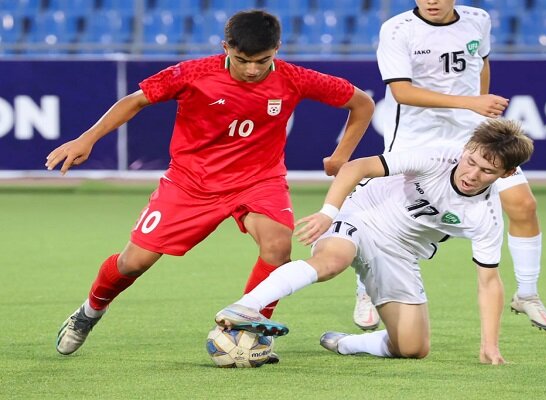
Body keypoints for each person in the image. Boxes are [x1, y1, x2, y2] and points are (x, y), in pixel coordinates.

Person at [46, 10, 375, 357]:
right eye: (242, 60)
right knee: (134, 263)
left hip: (259, 180)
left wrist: (342, 155)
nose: (252, 69)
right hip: (190, 183)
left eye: (262, 61)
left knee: (278, 246)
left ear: (277, 49)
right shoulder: (194, 73)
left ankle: (251, 329)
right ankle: (89, 312)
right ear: (225, 47)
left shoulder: (294, 78)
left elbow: (362, 103)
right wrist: (88, 139)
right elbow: (136, 100)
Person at [215, 118, 533, 365]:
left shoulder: (486, 216)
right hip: (361, 214)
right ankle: (246, 306)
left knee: (412, 348)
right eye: (471, 160)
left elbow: (489, 282)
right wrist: (329, 213)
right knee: (331, 262)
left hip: (400, 253)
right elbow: (357, 167)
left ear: (506, 174)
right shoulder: (436, 156)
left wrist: (489, 345)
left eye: (487, 171)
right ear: (467, 148)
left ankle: (347, 343)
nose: (472, 173)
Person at [351, 0, 546, 331]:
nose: (431, 1)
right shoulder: (397, 29)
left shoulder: (478, 19)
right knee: (386, 222)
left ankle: (528, 294)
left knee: (523, 204)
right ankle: (365, 292)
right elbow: (402, 92)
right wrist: (470, 102)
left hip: (470, 140)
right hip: (415, 140)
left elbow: (481, 64)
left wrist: (481, 112)